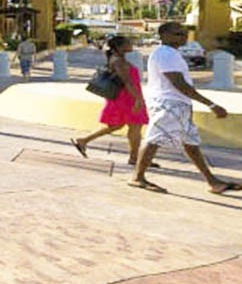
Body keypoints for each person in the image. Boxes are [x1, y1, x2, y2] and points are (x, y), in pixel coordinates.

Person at [129, 22, 239, 194]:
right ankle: (137, 177)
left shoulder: (171, 53)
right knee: (154, 139)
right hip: (169, 103)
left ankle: (213, 182)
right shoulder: (166, 54)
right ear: (164, 35)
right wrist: (210, 104)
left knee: (191, 142)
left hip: (178, 104)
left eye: (183, 33)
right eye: (177, 34)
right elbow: (178, 83)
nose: (182, 37)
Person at [70, 36, 152, 167]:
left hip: (125, 96)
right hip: (127, 97)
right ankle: (134, 158)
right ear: (119, 47)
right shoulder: (119, 61)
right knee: (135, 125)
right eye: (128, 43)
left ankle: (83, 140)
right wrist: (138, 99)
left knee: (118, 125)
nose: (131, 44)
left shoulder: (119, 59)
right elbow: (128, 82)